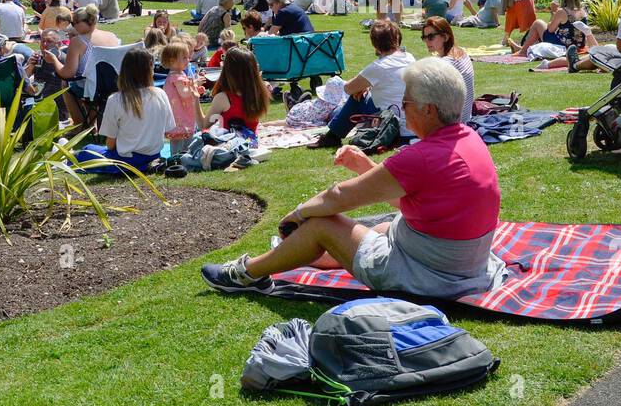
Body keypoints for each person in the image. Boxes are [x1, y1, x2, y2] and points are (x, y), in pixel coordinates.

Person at [203, 58, 505, 300]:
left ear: (428, 110)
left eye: (407, 103)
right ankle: (303, 250)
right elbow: (412, 198)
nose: (402, 110)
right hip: (467, 266)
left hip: (431, 278)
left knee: (323, 222)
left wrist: (299, 213)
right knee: (386, 224)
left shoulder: (423, 157)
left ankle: (246, 274)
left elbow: (339, 196)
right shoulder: (469, 140)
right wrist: (365, 166)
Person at [313, 20, 415, 148]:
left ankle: (332, 136)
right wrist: (366, 85)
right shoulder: (409, 57)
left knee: (357, 97)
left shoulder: (378, 67)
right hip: (412, 125)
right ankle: (332, 135)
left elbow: (348, 88)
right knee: (358, 95)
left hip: (392, 125)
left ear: (375, 44)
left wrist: (362, 87)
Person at [74, 48, 172, 175]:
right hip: (153, 156)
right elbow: (167, 130)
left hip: (126, 161)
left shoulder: (116, 99)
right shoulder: (161, 94)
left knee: (86, 151)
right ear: (150, 70)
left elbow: (110, 145)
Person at [420, 17, 474, 122]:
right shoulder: (461, 52)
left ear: (445, 37)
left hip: (452, 124)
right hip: (465, 118)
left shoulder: (445, 64)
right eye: (424, 37)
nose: (427, 41)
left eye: (431, 37)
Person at [204, 46, 270, 132]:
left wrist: (194, 100)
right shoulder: (258, 93)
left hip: (229, 143)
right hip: (251, 142)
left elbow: (204, 125)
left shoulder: (223, 98)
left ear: (228, 70)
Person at [160, 39, 202, 153]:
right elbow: (184, 93)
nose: (188, 60)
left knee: (184, 136)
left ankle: (183, 154)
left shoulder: (180, 74)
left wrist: (195, 88)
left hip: (181, 112)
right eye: (184, 57)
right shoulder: (176, 77)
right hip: (179, 115)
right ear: (172, 60)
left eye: (188, 57)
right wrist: (194, 84)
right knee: (179, 137)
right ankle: (178, 158)